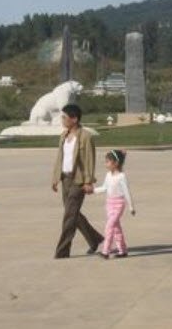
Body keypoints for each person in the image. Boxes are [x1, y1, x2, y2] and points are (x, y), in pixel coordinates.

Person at [51, 104, 104, 258]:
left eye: (64, 117)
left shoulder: (85, 137)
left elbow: (89, 160)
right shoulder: (63, 135)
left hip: (78, 180)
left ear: (74, 119)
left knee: (69, 216)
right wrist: (55, 178)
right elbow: (60, 158)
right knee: (73, 213)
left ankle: (62, 251)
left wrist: (88, 181)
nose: (62, 120)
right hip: (65, 179)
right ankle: (95, 239)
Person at [94, 149, 135, 259]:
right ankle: (123, 251)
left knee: (109, 226)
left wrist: (131, 207)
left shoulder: (121, 176)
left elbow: (126, 192)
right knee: (116, 228)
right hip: (109, 204)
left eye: (108, 161)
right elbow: (104, 188)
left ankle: (105, 251)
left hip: (119, 204)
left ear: (115, 163)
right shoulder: (108, 175)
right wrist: (92, 190)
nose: (106, 164)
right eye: (106, 161)